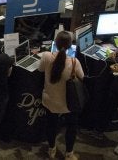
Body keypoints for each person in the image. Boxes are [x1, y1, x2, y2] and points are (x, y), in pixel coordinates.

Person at [38, 31, 84, 160]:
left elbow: (40, 70)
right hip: (69, 103)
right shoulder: (75, 62)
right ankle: (69, 154)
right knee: (71, 127)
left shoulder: (46, 56)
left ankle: (51, 149)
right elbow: (82, 78)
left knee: (51, 125)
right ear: (70, 46)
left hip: (50, 101)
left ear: (55, 44)